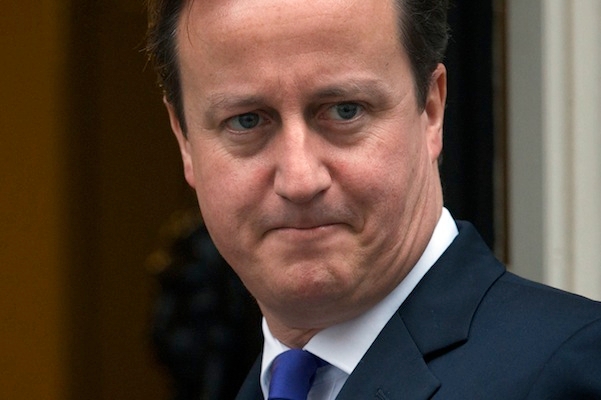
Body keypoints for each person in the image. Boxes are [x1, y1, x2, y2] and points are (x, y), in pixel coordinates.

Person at [145, 0, 601, 398]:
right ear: (185, 142)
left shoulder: (572, 371)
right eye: (246, 121)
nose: (300, 180)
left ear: (431, 111)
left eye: (345, 110)